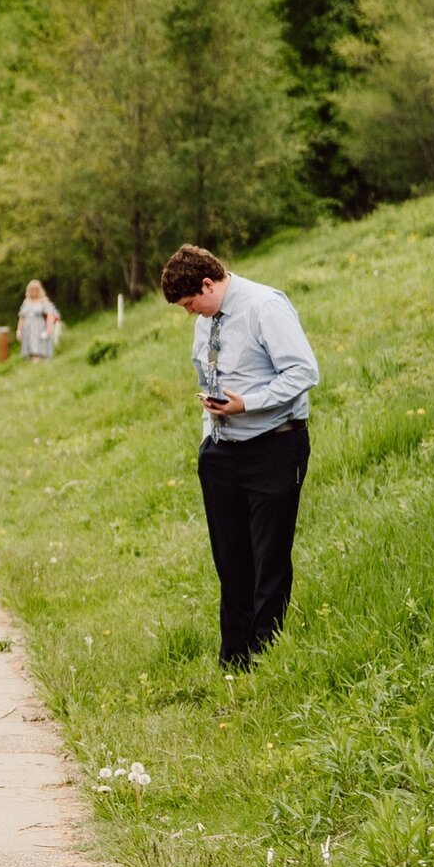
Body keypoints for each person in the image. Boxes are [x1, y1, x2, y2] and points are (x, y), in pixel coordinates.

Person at [161, 244, 320, 670]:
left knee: (268, 558)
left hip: (273, 446)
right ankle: (233, 661)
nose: (191, 314)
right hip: (221, 454)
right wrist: (208, 436)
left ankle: (265, 657)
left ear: (208, 284)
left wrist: (247, 404)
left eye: (191, 304)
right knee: (230, 560)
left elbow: (305, 372)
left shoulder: (264, 306)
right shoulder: (206, 320)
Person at [17, 280, 63, 361]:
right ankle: (33, 366)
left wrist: (49, 329)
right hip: (27, 330)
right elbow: (22, 317)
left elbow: (50, 315)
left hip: (39, 329)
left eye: (35, 289)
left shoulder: (43, 301)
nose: (33, 291)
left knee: (38, 350)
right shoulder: (26, 302)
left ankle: (39, 365)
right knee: (30, 352)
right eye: (31, 289)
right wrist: (19, 330)